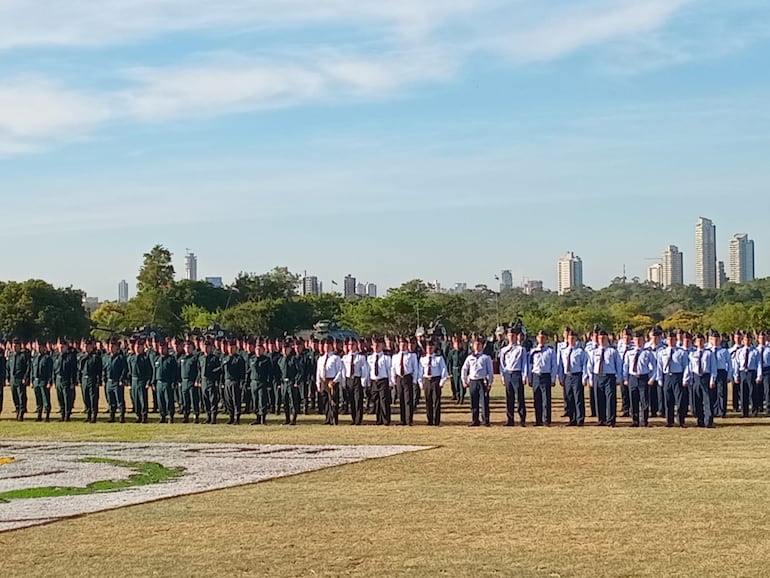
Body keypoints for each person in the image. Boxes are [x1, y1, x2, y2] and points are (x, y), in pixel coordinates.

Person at [587, 330, 623, 427]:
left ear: (607, 339)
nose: (602, 340)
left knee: (610, 399)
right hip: (597, 376)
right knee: (599, 398)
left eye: (604, 338)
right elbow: (590, 366)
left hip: (609, 377)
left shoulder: (613, 351)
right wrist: (590, 378)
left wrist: (618, 378)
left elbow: (619, 365)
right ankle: (601, 419)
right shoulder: (594, 352)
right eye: (600, 338)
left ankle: (611, 420)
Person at [622, 332, 657, 427]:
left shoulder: (648, 353)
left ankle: (644, 420)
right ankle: (635, 421)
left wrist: (652, 378)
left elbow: (654, 366)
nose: (638, 342)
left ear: (643, 341)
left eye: (640, 340)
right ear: (633, 341)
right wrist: (625, 378)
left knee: (644, 400)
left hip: (643, 378)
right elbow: (625, 366)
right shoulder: (629, 352)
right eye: (636, 340)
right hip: (632, 377)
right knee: (633, 400)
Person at [655, 332, 689, 427]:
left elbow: (686, 366)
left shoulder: (681, 352)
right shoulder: (662, 352)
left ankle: (680, 420)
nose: (671, 341)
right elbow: (659, 366)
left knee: (680, 400)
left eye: (672, 339)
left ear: (676, 340)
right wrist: (660, 379)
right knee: (668, 399)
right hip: (667, 377)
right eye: (669, 339)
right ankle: (669, 421)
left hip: (678, 376)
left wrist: (685, 379)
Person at [684, 333, 717, 428]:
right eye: (698, 341)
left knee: (707, 400)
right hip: (696, 378)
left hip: (706, 377)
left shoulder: (709, 353)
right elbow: (689, 368)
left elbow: (713, 367)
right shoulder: (692, 354)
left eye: (701, 340)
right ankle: (700, 420)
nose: (700, 342)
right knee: (697, 400)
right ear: (695, 342)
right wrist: (687, 379)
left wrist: (712, 380)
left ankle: (709, 421)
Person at [461, 337, 495, 427]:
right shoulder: (470, 357)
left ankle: (485, 420)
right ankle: (475, 420)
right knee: (473, 401)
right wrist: (464, 380)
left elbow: (490, 371)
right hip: (472, 381)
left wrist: (490, 383)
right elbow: (464, 369)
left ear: (482, 346)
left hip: (482, 381)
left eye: (479, 344)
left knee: (484, 401)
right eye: (475, 344)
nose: (477, 346)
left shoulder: (486, 357)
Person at [558, 330, 588, 427]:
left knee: (578, 398)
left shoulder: (580, 351)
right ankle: (572, 419)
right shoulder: (565, 351)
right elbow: (561, 365)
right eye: (569, 338)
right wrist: (561, 377)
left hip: (577, 375)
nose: (571, 340)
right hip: (568, 376)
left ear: (576, 339)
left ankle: (580, 419)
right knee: (569, 398)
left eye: (573, 338)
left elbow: (584, 365)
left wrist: (584, 377)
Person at [499, 327, 528, 426]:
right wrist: (503, 376)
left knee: (520, 398)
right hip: (508, 374)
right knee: (509, 398)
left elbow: (524, 363)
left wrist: (524, 376)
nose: (511, 338)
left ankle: (522, 419)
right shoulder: (504, 350)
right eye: (510, 336)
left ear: (516, 337)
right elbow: (502, 365)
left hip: (517, 374)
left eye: (513, 336)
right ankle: (510, 419)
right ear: (507, 337)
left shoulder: (521, 349)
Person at [527, 330, 558, 427]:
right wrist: (530, 377)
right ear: (537, 338)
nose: (541, 339)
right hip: (536, 375)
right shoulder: (533, 351)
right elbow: (530, 365)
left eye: (543, 337)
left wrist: (553, 378)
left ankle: (546, 420)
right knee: (537, 399)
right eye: (540, 337)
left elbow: (554, 365)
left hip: (546, 376)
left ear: (546, 339)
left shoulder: (550, 351)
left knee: (546, 399)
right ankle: (538, 420)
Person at [391, 337, 420, 426]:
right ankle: (402, 420)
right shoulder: (395, 356)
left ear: (407, 345)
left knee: (408, 400)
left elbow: (415, 368)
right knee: (401, 399)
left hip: (408, 377)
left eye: (404, 345)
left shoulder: (412, 356)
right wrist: (393, 380)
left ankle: (409, 420)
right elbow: (393, 368)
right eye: (401, 345)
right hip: (399, 378)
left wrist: (415, 380)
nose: (402, 346)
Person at [732, 333, 762, 418]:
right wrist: (736, 375)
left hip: (751, 372)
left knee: (752, 392)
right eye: (745, 339)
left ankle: (754, 411)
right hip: (742, 372)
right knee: (743, 393)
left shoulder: (755, 351)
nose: (747, 341)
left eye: (748, 339)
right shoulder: (739, 351)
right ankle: (744, 412)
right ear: (743, 340)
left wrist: (759, 376)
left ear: (751, 340)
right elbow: (736, 364)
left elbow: (759, 364)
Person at [418, 341, 448, 426]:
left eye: (431, 348)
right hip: (427, 380)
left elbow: (444, 370)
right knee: (428, 401)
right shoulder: (422, 359)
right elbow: (420, 371)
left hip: (436, 380)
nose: (430, 349)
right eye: (428, 348)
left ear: (434, 348)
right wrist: (420, 383)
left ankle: (437, 420)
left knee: (436, 401)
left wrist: (442, 381)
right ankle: (429, 420)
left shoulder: (439, 358)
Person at [316, 338, 345, 425]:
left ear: (332, 347)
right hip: (323, 380)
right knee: (325, 401)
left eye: (328, 346)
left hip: (332, 381)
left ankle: (334, 419)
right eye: (325, 346)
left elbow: (340, 371)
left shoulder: (336, 358)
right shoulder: (321, 358)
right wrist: (318, 383)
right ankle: (327, 418)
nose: (327, 348)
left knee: (333, 401)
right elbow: (318, 371)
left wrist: (335, 381)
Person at [343, 338, 369, 426]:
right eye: (349, 345)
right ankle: (353, 418)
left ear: (356, 345)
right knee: (351, 401)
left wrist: (363, 381)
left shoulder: (361, 357)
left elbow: (364, 370)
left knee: (358, 400)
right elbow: (343, 370)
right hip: (349, 379)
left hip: (357, 379)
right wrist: (344, 382)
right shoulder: (345, 357)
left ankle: (359, 419)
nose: (351, 346)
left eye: (353, 344)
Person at [102, 339, 128, 423]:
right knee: (111, 400)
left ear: (117, 347)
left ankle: (121, 416)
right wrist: (104, 379)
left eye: (113, 346)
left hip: (117, 381)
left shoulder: (120, 357)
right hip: (109, 381)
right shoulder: (106, 357)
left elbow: (124, 370)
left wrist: (122, 379)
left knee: (119, 399)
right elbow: (104, 369)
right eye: (109, 346)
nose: (111, 348)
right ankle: (112, 416)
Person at [153, 340, 180, 424]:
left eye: (163, 348)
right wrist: (153, 382)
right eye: (160, 348)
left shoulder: (171, 359)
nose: (161, 350)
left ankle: (171, 416)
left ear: (167, 348)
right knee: (160, 401)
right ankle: (162, 416)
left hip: (167, 382)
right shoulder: (157, 359)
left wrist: (173, 382)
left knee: (169, 400)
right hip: (159, 382)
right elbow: (154, 371)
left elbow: (174, 372)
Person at [368, 338, 392, 425]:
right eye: (375, 345)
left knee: (384, 400)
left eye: (378, 345)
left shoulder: (386, 357)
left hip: (383, 380)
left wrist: (390, 382)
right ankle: (379, 419)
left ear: (382, 346)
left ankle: (386, 420)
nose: (376, 347)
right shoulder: (370, 358)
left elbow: (389, 370)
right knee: (376, 401)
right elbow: (368, 370)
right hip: (374, 381)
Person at [221, 340, 246, 425]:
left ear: (236, 348)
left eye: (232, 348)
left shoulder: (239, 359)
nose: (231, 349)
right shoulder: (225, 358)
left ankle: (237, 418)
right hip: (227, 381)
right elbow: (222, 371)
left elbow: (242, 372)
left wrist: (242, 382)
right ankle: (231, 417)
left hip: (235, 381)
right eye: (229, 347)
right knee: (228, 401)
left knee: (236, 401)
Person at [78, 339, 103, 423]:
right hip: (84, 379)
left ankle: (94, 416)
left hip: (92, 379)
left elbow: (99, 371)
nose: (86, 348)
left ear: (91, 347)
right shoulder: (82, 357)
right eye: (84, 346)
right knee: (86, 397)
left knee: (93, 398)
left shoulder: (95, 357)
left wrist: (98, 381)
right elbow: (79, 370)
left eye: (87, 346)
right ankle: (88, 415)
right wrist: (79, 380)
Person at [198, 340, 223, 424]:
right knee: (205, 400)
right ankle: (208, 416)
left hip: (211, 381)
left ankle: (213, 418)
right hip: (204, 381)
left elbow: (219, 369)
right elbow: (199, 370)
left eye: (207, 347)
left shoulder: (214, 358)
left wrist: (213, 374)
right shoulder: (201, 358)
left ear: (211, 348)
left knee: (213, 400)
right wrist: (198, 380)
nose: (206, 348)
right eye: (204, 347)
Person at [277, 341, 301, 426]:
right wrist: (279, 382)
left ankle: (293, 419)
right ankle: (287, 419)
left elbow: (299, 371)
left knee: (293, 401)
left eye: (286, 349)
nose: (284, 350)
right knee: (285, 401)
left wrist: (296, 381)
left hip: (291, 382)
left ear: (290, 349)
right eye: (283, 349)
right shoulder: (280, 360)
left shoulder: (293, 359)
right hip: (284, 382)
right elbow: (279, 372)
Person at [7, 338, 31, 421]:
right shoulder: (11, 355)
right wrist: (8, 378)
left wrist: (25, 378)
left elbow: (28, 367)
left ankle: (22, 411)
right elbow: (8, 367)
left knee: (21, 396)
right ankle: (17, 410)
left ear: (19, 346)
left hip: (20, 379)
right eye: (13, 346)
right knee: (14, 396)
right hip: (13, 379)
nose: (14, 347)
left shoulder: (23, 355)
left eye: (15, 346)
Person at [248, 342, 273, 425]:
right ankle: (257, 418)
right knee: (255, 401)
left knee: (262, 400)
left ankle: (263, 419)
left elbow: (270, 372)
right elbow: (248, 371)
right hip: (253, 382)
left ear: (263, 350)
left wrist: (269, 384)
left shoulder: (266, 360)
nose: (258, 351)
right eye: (257, 349)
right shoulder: (252, 359)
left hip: (262, 382)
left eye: (260, 349)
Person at [709, 330, 731, 418]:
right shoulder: (708, 350)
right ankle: (714, 410)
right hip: (711, 373)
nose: (715, 341)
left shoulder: (724, 351)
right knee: (712, 392)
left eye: (717, 339)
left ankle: (722, 411)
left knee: (721, 392)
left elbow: (729, 364)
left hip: (721, 372)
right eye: (713, 339)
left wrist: (729, 375)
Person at [31, 340, 54, 422]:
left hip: (44, 381)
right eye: (37, 347)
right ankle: (39, 415)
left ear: (44, 348)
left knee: (46, 399)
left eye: (40, 347)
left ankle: (47, 415)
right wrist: (32, 380)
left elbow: (50, 371)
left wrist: (49, 382)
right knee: (38, 399)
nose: (38, 349)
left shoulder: (47, 358)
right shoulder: (35, 358)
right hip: (36, 381)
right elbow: (32, 370)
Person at [178, 340, 201, 423]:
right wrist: (179, 380)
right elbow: (178, 370)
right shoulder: (182, 358)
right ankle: (186, 416)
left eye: (189, 347)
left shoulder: (194, 358)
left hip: (192, 381)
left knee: (193, 400)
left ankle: (196, 416)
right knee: (185, 400)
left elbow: (199, 370)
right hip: (184, 382)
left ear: (192, 348)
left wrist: (197, 380)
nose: (187, 349)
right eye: (186, 347)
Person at [446, 336, 468, 404]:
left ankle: (462, 398)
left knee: (462, 384)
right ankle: (457, 397)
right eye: (456, 343)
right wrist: (449, 372)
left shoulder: (464, 352)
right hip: (454, 370)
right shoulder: (451, 352)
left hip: (462, 370)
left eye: (459, 343)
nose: (457, 345)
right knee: (456, 385)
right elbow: (449, 362)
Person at [757, 331, 770, 416]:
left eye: (763, 338)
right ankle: (759, 407)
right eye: (760, 338)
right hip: (758, 370)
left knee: (767, 389)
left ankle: (768, 408)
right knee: (758, 389)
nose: (762, 340)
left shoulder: (769, 349)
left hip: (767, 370)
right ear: (758, 339)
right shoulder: (755, 349)